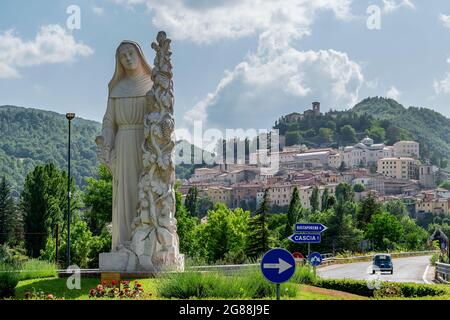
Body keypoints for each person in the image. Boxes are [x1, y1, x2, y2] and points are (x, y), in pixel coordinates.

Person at [96, 41, 153, 251]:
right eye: (123, 56)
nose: (127, 58)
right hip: (123, 143)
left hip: (147, 145)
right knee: (124, 193)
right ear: (118, 61)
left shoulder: (152, 84)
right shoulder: (116, 88)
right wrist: (106, 141)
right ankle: (124, 244)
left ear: (139, 55)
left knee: (146, 192)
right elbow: (109, 121)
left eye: (130, 53)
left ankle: (147, 244)